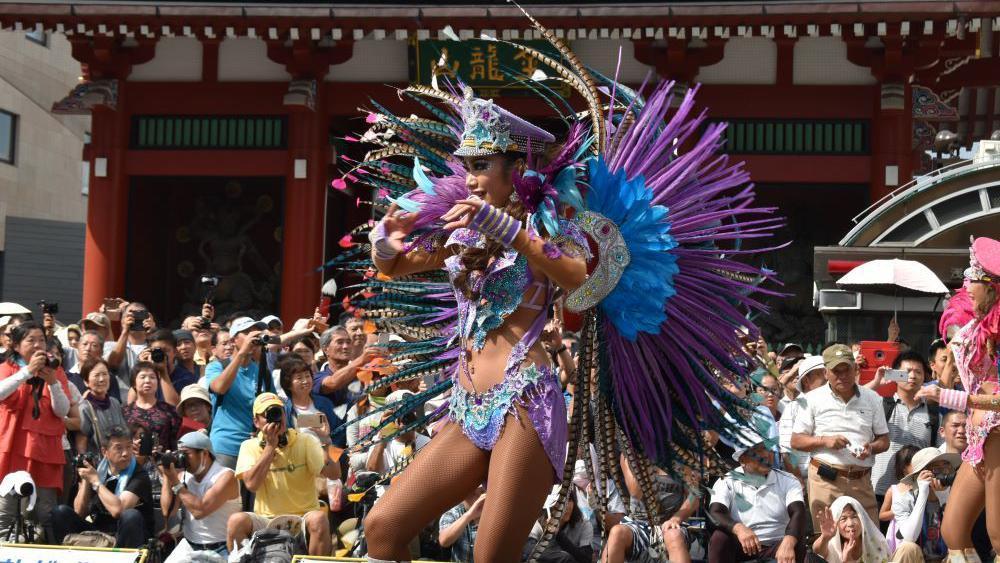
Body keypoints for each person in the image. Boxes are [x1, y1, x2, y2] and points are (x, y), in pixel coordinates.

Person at [916, 236, 1000, 562]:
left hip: (996, 437)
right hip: (979, 442)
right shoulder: (978, 327)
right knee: (952, 530)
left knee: (997, 532)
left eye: (972, 280)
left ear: (990, 286)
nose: (966, 285)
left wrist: (950, 397)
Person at [227, 393, 340, 556]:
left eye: (278, 412)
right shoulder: (248, 446)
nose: (276, 419)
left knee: (319, 519)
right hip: (266, 520)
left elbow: (335, 474)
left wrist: (326, 440)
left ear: (285, 415)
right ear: (256, 422)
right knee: (235, 521)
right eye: (268, 415)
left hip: (304, 518)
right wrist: (270, 447)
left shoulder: (305, 440)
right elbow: (252, 485)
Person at [791, 343, 890, 526]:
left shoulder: (873, 398)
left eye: (847, 369)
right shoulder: (811, 399)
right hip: (825, 480)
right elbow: (796, 441)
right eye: (837, 371)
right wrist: (825, 441)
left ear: (855, 369)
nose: (843, 376)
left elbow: (884, 440)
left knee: (869, 540)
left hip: (861, 480)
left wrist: (871, 448)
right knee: (826, 541)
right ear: (826, 373)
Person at [0, 321, 72, 542]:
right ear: (16, 346)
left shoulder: (55, 370)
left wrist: (52, 382)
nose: (38, 344)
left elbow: (63, 410)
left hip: (45, 452)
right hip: (12, 449)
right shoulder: (7, 367)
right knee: (6, 515)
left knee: (44, 514)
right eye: (31, 340)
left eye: (41, 339)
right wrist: (27, 372)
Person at [51, 426, 155, 548]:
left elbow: (118, 510)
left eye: (128, 446)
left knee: (130, 515)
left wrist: (96, 483)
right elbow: (80, 512)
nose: (126, 453)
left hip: (128, 535)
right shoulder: (99, 471)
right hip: (100, 532)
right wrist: (86, 480)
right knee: (60, 512)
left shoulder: (139, 475)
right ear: (104, 451)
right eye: (119, 448)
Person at [707, 441, 807, 563]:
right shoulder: (726, 481)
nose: (766, 454)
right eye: (758, 450)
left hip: (777, 546)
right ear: (742, 460)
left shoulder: (788, 480)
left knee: (795, 541)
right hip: (742, 546)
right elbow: (715, 513)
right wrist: (739, 528)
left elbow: (798, 512)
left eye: (769, 449)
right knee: (720, 538)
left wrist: (789, 541)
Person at [871, 351, 939, 507]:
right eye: (907, 372)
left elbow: (937, 453)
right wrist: (876, 383)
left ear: (924, 377)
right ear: (895, 375)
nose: (913, 376)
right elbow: (856, 401)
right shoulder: (881, 405)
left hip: (917, 493)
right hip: (880, 491)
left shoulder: (934, 414)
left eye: (918, 372)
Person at [160, 431, 241, 562]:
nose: (182, 459)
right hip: (189, 546)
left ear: (204, 453)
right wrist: (166, 475)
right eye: (179, 454)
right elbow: (167, 512)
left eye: (185, 454)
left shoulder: (226, 476)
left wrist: (175, 482)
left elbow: (200, 511)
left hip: (221, 549)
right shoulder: (182, 477)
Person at [205, 317, 268, 469]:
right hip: (226, 447)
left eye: (255, 332)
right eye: (247, 332)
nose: (253, 336)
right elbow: (220, 387)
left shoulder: (262, 371)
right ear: (233, 341)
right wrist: (241, 354)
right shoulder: (216, 367)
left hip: (255, 446)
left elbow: (269, 406)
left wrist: (262, 432)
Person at [882, 447, 959, 563]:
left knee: (961, 551)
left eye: (946, 466)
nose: (944, 473)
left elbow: (960, 535)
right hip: (918, 557)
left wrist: (944, 497)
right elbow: (909, 537)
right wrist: (923, 492)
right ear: (921, 474)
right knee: (907, 548)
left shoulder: (957, 494)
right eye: (937, 469)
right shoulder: (903, 499)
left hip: (947, 557)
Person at [778, 354, 826, 480]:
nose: (828, 379)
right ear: (806, 380)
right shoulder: (793, 408)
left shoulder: (833, 405)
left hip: (828, 479)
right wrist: (799, 482)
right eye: (822, 375)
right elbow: (786, 452)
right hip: (803, 480)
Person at [122, 361, 182, 451]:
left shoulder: (169, 410)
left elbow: (176, 441)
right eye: (142, 377)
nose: (147, 380)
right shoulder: (124, 412)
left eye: (152, 377)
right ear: (134, 383)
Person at [279, 355, 336, 445]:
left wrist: (325, 437)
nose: (305, 381)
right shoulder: (284, 410)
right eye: (299, 378)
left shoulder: (325, 403)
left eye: (307, 376)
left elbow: (338, 436)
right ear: (287, 383)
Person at [814, 496, 890, 563]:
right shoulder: (832, 544)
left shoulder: (876, 543)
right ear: (835, 522)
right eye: (843, 518)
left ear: (862, 519)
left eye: (854, 517)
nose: (850, 523)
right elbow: (817, 551)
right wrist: (825, 537)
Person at [104, 302, 155, 402]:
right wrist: (125, 331)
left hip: (150, 407)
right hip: (120, 406)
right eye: (131, 316)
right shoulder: (111, 346)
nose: (135, 320)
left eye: (140, 316)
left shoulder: (155, 347)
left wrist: (153, 333)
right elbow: (113, 364)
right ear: (122, 321)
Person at [76, 358, 128, 454]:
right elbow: (82, 438)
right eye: (96, 375)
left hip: (119, 459)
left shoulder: (115, 403)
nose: (102, 379)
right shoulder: (84, 408)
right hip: (99, 462)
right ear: (86, 382)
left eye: (105, 374)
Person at [526, 491, 593, 563]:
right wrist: (562, 558)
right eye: (561, 501)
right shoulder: (538, 524)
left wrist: (559, 535)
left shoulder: (584, 525)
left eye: (569, 500)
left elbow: (586, 559)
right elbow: (527, 550)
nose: (567, 506)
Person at [439, 487, 484, 563]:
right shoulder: (453, 513)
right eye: (472, 493)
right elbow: (444, 541)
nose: (478, 499)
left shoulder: (494, 512)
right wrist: (469, 515)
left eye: (482, 492)